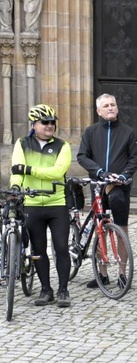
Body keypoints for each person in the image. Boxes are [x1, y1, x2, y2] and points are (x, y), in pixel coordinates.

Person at [9, 104, 72, 307]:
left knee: (61, 248)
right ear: (33, 124)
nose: (50, 126)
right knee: (38, 250)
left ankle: (63, 290)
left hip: (57, 203)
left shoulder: (63, 146)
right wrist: (16, 187)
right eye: (45, 122)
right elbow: (16, 170)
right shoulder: (22, 143)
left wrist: (28, 169)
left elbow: (56, 172)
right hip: (32, 203)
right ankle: (46, 290)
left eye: (53, 122)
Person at [77, 93, 137, 289]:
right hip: (98, 186)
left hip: (119, 187)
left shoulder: (128, 132)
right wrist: (98, 172)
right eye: (106, 105)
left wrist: (124, 175)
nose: (110, 108)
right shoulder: (90, 132)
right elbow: (82, 156)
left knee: (121, 229)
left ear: (117, 108)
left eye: (113, 104)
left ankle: (122, 272)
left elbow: (135, 158)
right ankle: (102, 274)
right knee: (100, 229)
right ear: (98, 111)